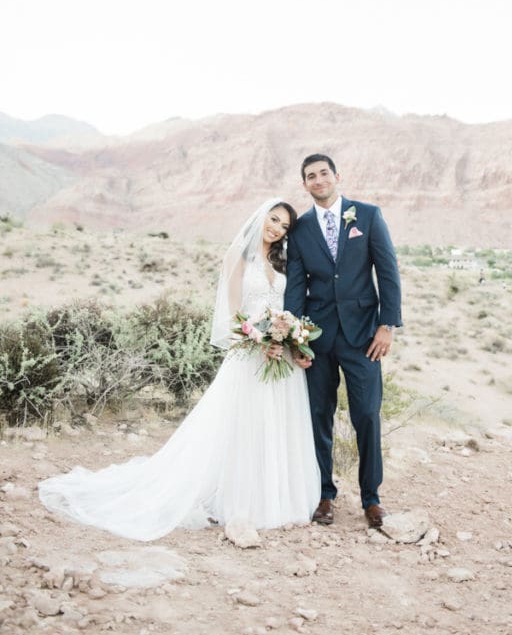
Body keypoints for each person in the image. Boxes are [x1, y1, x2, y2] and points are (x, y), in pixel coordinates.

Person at [38, 199, 321, 540]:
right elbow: (232, 318)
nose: (276, 228)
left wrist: (289, 339)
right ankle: (238, 498)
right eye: (273, 219)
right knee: (243, 426)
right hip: (250, 356)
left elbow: (288, 308)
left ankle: (278, 498)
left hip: (282, 361)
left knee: (277, 424)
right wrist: (261, 340)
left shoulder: (283, 263)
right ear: (261, 217)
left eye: (284, 226)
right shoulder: (238, 258)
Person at [284, 154, 402, 529]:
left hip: (363, 336)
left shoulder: (367, 215)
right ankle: (324, 495)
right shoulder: (300, 229)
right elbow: (296, 286)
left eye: (323, 173)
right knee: (318, 416)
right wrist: (296, 337)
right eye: (310, 177)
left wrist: (388, 325)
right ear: (304, 185)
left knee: (366, 414)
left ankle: (372, 498)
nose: (318, 180)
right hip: (317, 338)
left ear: (337, 176)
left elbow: (387, 271)